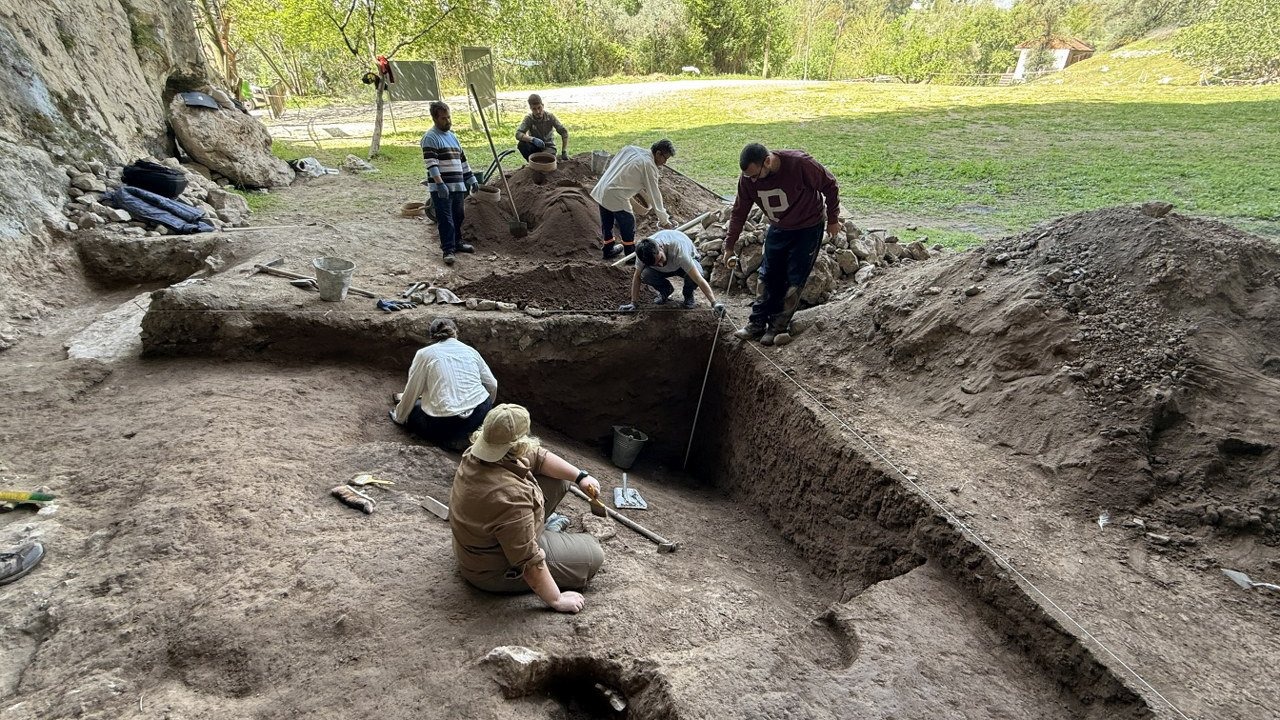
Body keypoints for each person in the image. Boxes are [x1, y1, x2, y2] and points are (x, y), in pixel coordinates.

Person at [449, 404, 605, 613]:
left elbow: (538, 456)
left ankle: (539, 532)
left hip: (481, 545)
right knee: (593, 554)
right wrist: (556, 599)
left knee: (560, 479)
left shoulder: (476, 453)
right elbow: (528, 562)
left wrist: (580, 477)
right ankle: (543, 537)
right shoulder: (509, 497)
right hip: (494, 569)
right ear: (519, 443)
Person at [723, 143, 840, 346]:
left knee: (795, 277)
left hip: (807, 227)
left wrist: (833, 219)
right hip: (778, 227)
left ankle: (778, 327)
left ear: (767, 161)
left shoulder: (800, 164)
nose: (752, 181)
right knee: (767, 274)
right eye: (748, 176)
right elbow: (739, 212)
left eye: (755, 175)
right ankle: (756, 323)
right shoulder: (748, 179)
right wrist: (729, 246)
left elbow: (830, 185)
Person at [389, 318, 496, 450]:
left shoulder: (424, 354)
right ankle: (470, 433)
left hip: (443, 422)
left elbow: (412, 390)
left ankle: (449, 440)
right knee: (480, 390)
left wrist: (399, 417)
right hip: (479, 412)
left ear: (432, 337)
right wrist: (486, 413)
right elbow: (493, 385)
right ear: (456, 332)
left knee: (415, 410)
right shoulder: (470, 351)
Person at [590, 140, 677, 261]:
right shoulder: (648, 165)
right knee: (628, 222)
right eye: (665, 158)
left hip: (603, 186)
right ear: (658, 153)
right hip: (616, 194)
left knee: (607, 221)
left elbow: (615, 163)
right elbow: (654, 194)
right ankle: (630, 253)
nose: (665, 162)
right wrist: (664, 221)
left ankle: (608, 249)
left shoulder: (631, 149)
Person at [421, 101, 479, 266]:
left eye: (448, 117)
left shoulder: (453, 137)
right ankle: (448, 249)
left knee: (458, 215)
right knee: (445, 219)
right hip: (443, 188)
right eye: (443, 118)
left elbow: (462, 160)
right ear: (435, 119)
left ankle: (457, 242)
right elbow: (431, 164)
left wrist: (471, 178)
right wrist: (440, 184)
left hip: (458, 185)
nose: (448, 121)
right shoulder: (430, 138)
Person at [618, 230, 725, 316]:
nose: (660, 265)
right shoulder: (642, 254)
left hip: (683, 266)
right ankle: (666, 290)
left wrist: (714, 303)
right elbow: (637, 277)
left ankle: (688, 295)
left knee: (696, 275)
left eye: (660, 259)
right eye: (656, 264)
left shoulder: (678, 251)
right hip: (666, 269)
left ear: (661, 247)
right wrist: (633, 303)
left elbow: (698, 279)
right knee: (645, 275)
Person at [514, 94, 569, 161]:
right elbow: (518, 134)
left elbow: (564, 132)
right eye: (534, 109)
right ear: (531, 109)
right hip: (535, 147)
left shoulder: (550, 117)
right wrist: (532, 139)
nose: (537, 112)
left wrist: (564, 151)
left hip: (549, 147)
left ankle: (538, 161)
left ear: (543, 106)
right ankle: (532, 162)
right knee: (521, 144)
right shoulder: (529, 118)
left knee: (543, 160)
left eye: (539, 108)